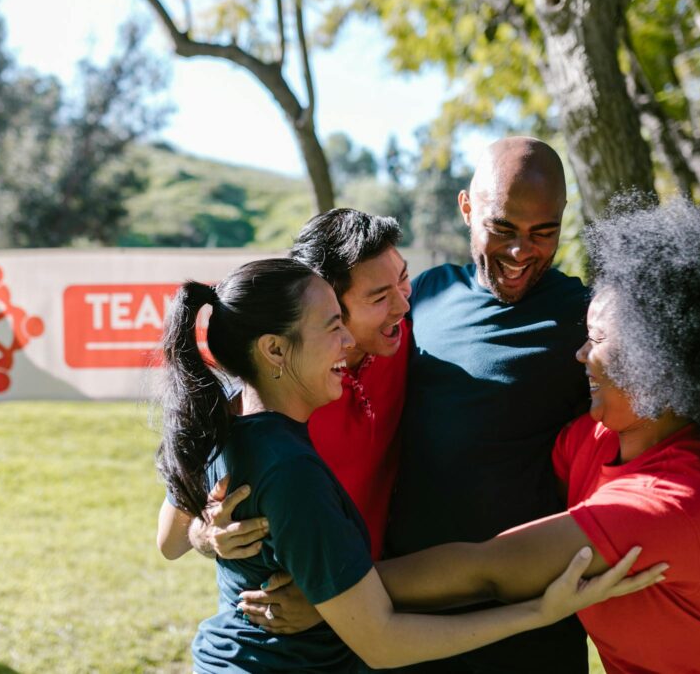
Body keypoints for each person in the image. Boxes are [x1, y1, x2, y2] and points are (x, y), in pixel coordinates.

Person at [155, 257, 662, 672]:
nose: (349, 341)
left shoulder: (223, 419)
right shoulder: (289, 471)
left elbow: (174, 539)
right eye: (334, 327)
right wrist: (538, 612)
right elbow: (383, 641)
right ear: (274, 350)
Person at [376, 197, 700, 672]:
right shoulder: (600, 439)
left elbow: (490, 572)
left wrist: (336, 589)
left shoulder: (664, 506)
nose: (581, 354)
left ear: (659, 360)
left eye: (600, 340)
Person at [158, 209, 412, 563]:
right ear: (327, 303)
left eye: (403, 278)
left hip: (379, 584)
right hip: (303, 598)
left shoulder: (407, 334)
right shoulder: (265, 400)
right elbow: (170, 541)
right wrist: (208, 534)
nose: (403, 303)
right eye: (379, 297)